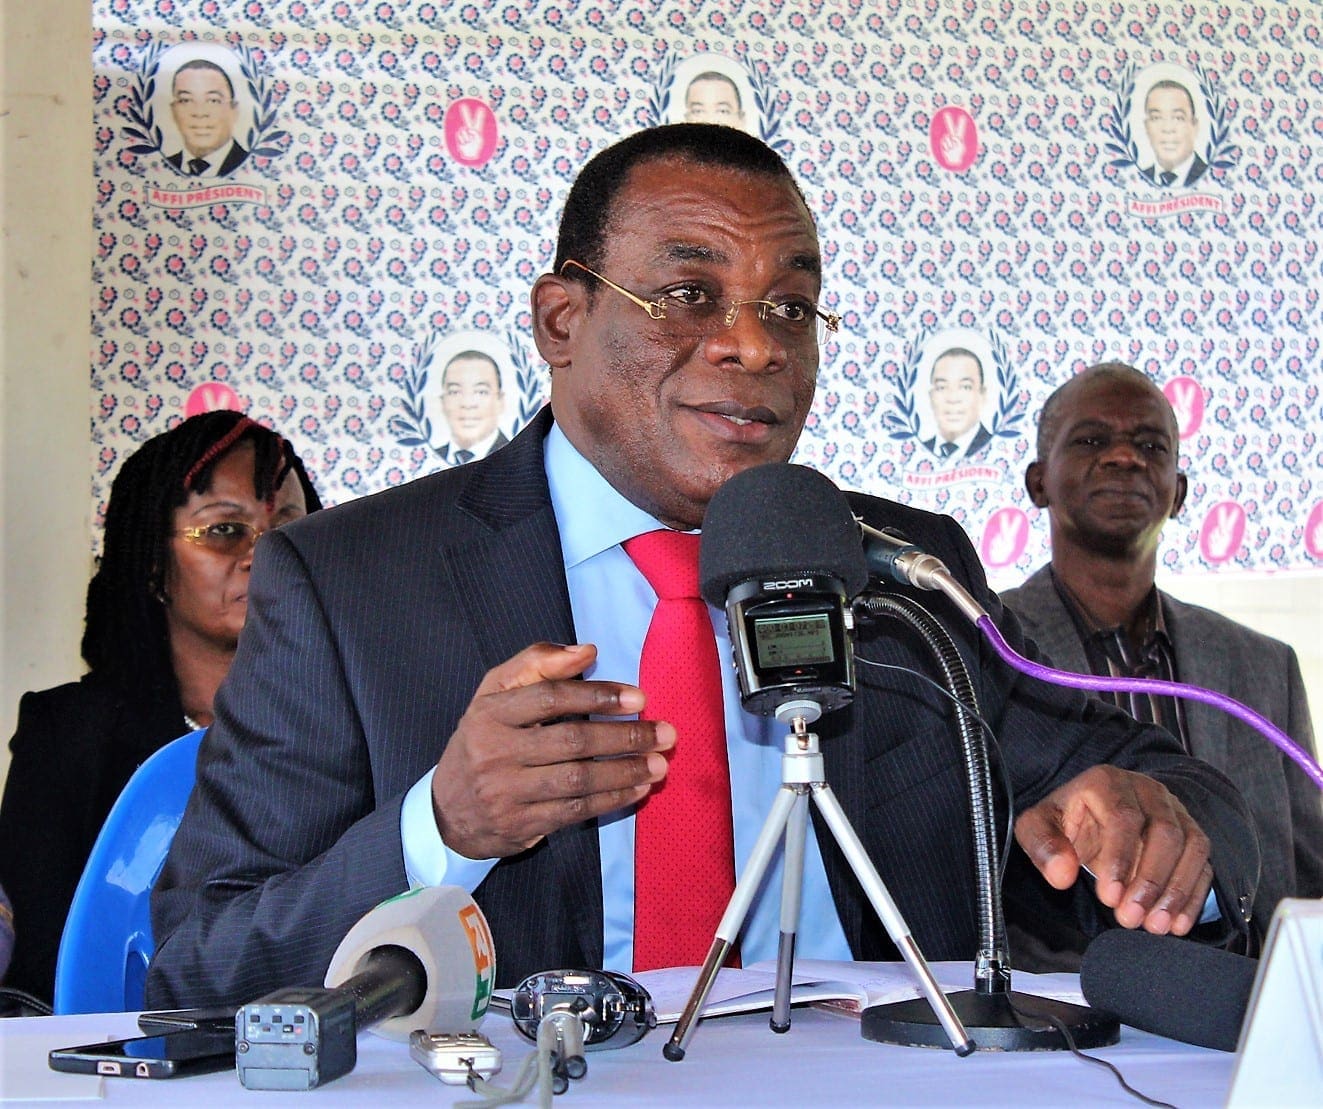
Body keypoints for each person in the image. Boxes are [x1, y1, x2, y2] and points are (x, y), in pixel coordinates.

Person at [146, 125, 1257, 1009]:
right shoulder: (350, 583)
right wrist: (444, 825)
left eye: (788, 308)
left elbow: (1180, 790)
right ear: (560, 320)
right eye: (690, 297)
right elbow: (200, 965)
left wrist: (1155, 829)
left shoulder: (892, 568)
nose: (754, 345)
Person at [0, 411, 319, 1004]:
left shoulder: (357, 727)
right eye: (225, 530)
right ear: (153, 563)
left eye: (290, 531)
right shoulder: (67, 736)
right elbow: (40, 974)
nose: (266, 554)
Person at [1002, 362, 1323, 937]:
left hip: (1242, 987)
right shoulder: (983, 645)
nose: (1125, 457)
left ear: (1179, 493)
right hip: (1052, 987)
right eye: (1091, 440)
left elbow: (1309, 878)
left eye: (1151, 445)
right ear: (1038, 482)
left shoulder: (1265, 666)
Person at [163, 58, 249, 178]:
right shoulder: (160, 167)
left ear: (234, 110)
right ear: (173, 111)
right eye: (186, 100)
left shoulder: (250, 166)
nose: (200, 113)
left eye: (213, 100)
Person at [436, 349, 508, 465]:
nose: (468, 404)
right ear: (442, 402)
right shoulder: (430, 458)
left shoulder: (518, 458)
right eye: (455, 392)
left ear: (500, 401)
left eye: (481, 392)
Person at [921, 347, 993, 461]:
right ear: (931, 396)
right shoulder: (918, 451)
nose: (953, 398)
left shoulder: (996, 449)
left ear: (982, 395)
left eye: (965, 387)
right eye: (942, 387)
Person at [1139, 79, 1207, 188]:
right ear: (1147, 127)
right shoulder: (1137, 179)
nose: (1167, 128)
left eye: (1178, 118)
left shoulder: (1209, 175)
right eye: (1156, 118)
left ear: (1194, 126)